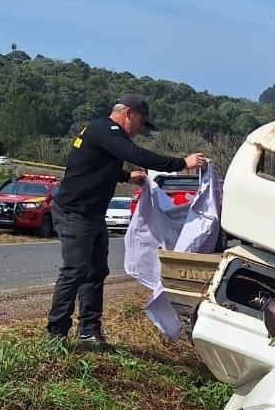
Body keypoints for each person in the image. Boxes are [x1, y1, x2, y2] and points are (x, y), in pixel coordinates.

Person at [47, 93, 206, 350]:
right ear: (128, 113)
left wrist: (125, 177)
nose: (140, 130)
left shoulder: (103, 134)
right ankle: (56, 335)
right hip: (75, 213)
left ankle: (88, 331)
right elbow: (137, 154)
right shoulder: (106, 130)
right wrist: (181, 163)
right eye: (141, 123)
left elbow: (92, 166)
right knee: (75, 270)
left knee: (96, 271)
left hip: (92, 214)